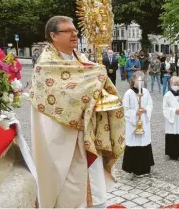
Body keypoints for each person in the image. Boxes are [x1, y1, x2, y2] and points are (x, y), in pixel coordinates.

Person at [29, 16, 125, 207]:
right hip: (61, 132)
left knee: (95, 187)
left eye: (75, 30)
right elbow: (62, 94)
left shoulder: (81, 59)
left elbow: (91, 84)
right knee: (68, 187)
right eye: (68, 31)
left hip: (88, 132)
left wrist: (99, 85)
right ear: (53, 36)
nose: (75, 34)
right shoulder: (45, 65)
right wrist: (94, 78)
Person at [122, 71, 154, 177]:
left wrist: (145, 109)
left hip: (143, 121)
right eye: (138, 80)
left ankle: (145, 168)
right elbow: (125, 109)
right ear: (133, 80)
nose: (140, 82)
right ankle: (135, 169)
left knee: (144, 143)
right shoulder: (129, 93)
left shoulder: (146, 91)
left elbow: (150, 104)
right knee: (135, 144)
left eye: (142, 80)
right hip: (133, 123)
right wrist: (135, 113)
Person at [163, 76, 179, 160]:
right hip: (172, 119)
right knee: (172, 136)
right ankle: (172, 154)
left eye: (178, 84)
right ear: (171, 84)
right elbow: (165, 108)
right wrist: (173, 110)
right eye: (175, 84)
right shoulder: (167, 95)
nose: (176, 85)